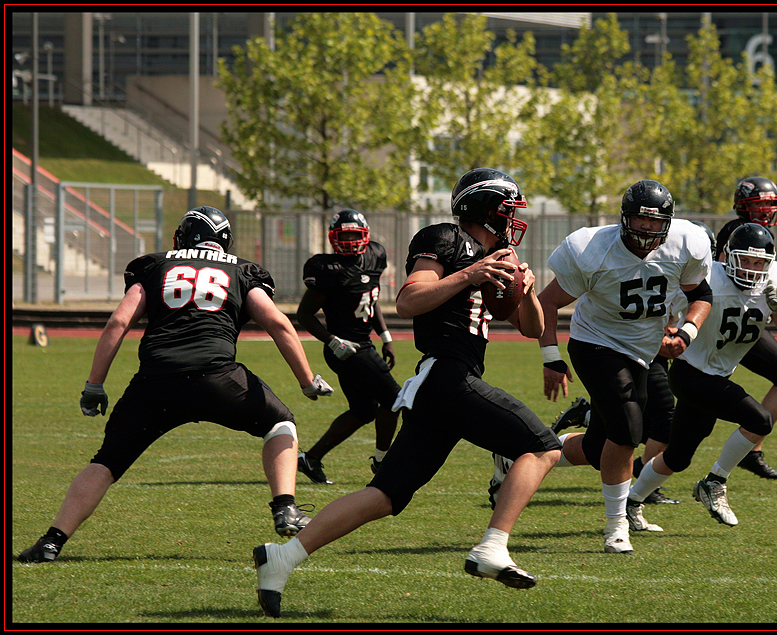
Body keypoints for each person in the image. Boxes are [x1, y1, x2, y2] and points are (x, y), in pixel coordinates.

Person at [252, 168, 562, 618]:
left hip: (443, 386)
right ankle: (493, 546)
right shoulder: (447, 240)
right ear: (484, 208)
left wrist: (527, 290)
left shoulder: (496, 255)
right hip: (448, 377)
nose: (514, 220)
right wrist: (471, 273)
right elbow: (409, 301)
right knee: (541, 446)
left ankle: (281, 558)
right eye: (507, 211)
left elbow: (532, 327)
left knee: (386, 496)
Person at [17, 206, 334, 564]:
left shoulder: (154, 265)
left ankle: (51, 542)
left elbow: (118, 322)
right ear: (225, 242)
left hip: (156, 382)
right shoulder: (241, 270)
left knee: (106, 462)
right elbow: (277, 323)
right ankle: (285, 509)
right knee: (280, 424)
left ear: (181, 237)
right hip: (217, 377)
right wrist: (307, 381)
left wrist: (95, 384)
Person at [536, 179, 713, 554]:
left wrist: (686, 333)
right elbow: (547, 302)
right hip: (594, 343)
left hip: (643, 351)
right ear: (623, 217)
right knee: (630, 428)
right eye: (639, 220)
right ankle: (617, 527)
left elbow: (702, 295)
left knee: (602, 443)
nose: (647, 229)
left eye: (655, 222)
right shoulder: (591, 248)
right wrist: (551, 357)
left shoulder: (688, 242)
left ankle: (528, 452)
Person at [627, 222, 777, 526]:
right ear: (727, 256)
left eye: (758, 262)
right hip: (691, 374)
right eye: (744, 260)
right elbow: (667, 305)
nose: (750, 268)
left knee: (677, 458)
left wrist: (776, 309)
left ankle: (632, 501)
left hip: (717, 374)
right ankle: (715, 482)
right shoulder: (709, 279)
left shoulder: (775, 280)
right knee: (760, 419)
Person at [294, 209, 401, 484]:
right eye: (345, 235)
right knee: (395, 399)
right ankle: (382, 461)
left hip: (363, 343)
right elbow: (304, 315)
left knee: (363, 411)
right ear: (333, 238)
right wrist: (332, 340)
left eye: (356, 234)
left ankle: (311, 459)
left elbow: (371, 299)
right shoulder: (326, 269)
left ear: (365, 235)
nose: (351, 240)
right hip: (346, 348)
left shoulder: (375, 255)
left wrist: (385, 336)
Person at [714, 177, 777, 479]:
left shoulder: (761, 233)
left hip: (748, 322)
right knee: (688, 407)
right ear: (742, 207)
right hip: (725, 324)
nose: (765, 212)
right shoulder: (734, 233)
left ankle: (752, 448)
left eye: (770, 206)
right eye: (759, 206)